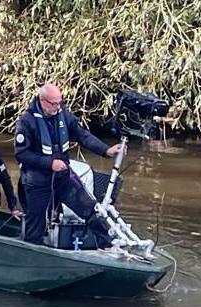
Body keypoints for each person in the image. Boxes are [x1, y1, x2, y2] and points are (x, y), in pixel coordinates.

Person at [14, 83, 124, 245]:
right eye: (53, 103)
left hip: (63, 178)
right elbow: (22, 154)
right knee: (35, 226)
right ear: (42, 100)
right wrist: (49, 163)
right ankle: (33, 254)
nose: (57, 107)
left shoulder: (63, 115)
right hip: (37, 181)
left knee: (90, 209)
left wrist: (106, 151)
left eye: (60, 102)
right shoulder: (26, 122)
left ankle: (108, 244)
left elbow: (83, 136)